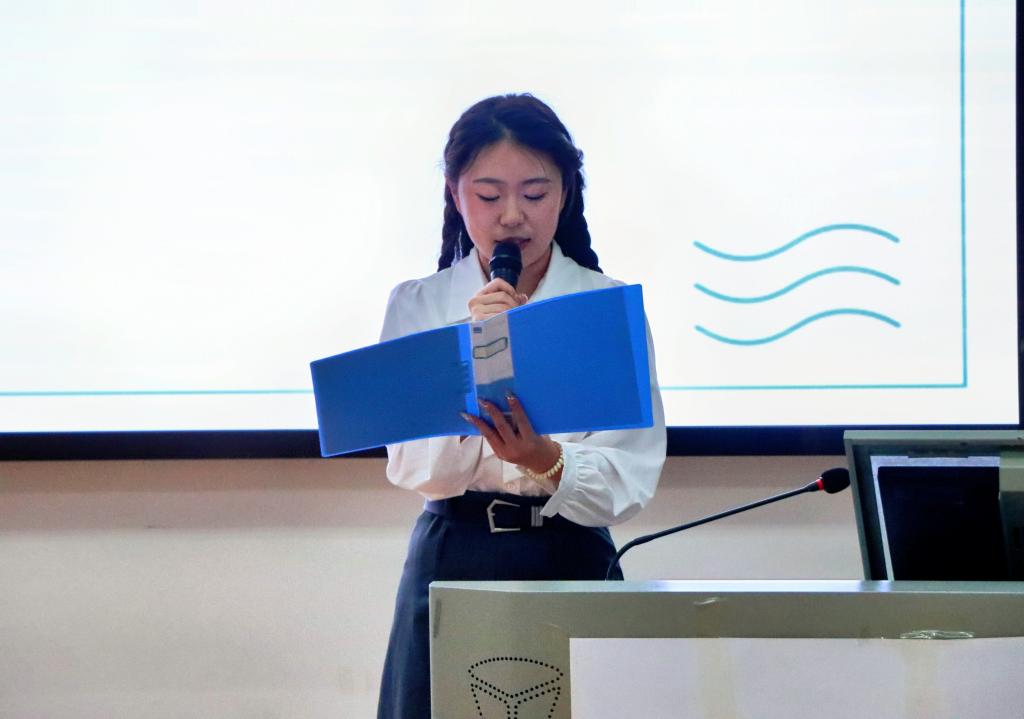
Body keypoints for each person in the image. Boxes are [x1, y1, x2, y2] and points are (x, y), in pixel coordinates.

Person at [376, 93, 666, 718]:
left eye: (535, 194)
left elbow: (631, 477)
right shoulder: (419, 306)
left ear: (565, 194)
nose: (512, 216)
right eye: (489, 195)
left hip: (570, 552)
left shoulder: (606, 308)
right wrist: (473, 353)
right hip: (453, 553)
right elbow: (412, 466)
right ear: (455, 195)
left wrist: (544, 458)